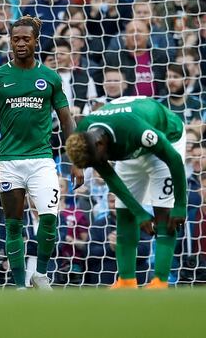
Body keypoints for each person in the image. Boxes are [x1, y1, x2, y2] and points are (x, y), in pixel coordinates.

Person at [0, 16, 84, 290]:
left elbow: (67, 120)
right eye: (16, 39)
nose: (21, 43)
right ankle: (19, 286)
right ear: (10, 42)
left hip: (42, 161)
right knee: (13, 224)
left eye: (26, 39)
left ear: (36, 41)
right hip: (9, 162)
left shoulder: (49, 77)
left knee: (49, 218)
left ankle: (41, 274)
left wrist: (76, 158)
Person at [66, 96, 188, 289]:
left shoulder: (137, 130)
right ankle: (126, 281)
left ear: (100, 144)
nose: (97, 165)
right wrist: (139, 213)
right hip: (130, 150)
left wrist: (181, 204)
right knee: (124, 212)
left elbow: (173, 160)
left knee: (165, 214)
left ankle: (160, 282)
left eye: (96, 161)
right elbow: (111, 178)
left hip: (167, 139)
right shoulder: (85, 136)